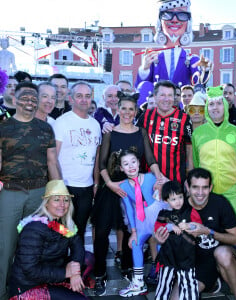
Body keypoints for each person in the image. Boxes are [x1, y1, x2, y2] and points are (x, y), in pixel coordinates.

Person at [92, 91, 165, 296]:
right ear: (118, 109)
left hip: (133, 189)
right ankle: (99, 274)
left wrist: (159, 178)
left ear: (135, 112)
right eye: (123, 108)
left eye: (131, 109)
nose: (126, 112)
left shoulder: (141, 132)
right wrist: (108, 184)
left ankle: (129, 269)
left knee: (130, 229)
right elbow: (103, 163)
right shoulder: (109, 132)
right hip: (112, 187)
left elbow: (150, 160)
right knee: (103, 231)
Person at [0, 81, 62, 300]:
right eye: (24, 98)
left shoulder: (45, 128)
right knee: (5, 247)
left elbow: (52, 162)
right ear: (14, 100)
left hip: (38, 194)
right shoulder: (3, 127)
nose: (29, 102)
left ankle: (28, 292)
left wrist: (59, 193)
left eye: (33, 98)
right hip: (10, 193)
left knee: (33, 248)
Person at [155, 168, 236, 300]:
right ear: (187, 187)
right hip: (193, 263)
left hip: (221, 254)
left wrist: (208, 231)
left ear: (211, 187)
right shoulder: (178, 205)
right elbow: (157, 232)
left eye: (205, 187)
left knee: (222, 254)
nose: (200, 193)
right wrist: (160, 240)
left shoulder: (220, 203)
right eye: (195, 187)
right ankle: (212, 283)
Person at [8, 180, 87, 300]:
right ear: (46, 203)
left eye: (66, 200)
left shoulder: (63, 224)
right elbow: (30, 269)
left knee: (89, 258)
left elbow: (78, 246)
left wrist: (74, 272)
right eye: (56, 199)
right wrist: (66, 273)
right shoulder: (34, 228)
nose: (62, 204)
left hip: (50, 279)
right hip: (27, 287)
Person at [114, 150, 167, 297]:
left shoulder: (151, 177)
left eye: (133, 162)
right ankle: (138, 282)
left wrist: (161, 184)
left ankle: (164, 275)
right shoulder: (123, 186)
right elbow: (129, 210)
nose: (130, 166)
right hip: (141, 219)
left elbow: (166, 190)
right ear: (121, 168)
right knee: (136, 243)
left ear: (138, 163)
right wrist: (134, 232)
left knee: (162, 242)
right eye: (126, 164)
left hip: (156, 215)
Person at [53, 81, 101, 241]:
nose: (84, 100)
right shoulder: (61, 122)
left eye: (87, 96)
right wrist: (58, 187)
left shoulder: (95, 125)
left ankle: (75, 263)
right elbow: (53, 157)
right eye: (79, 96)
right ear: (71, 99)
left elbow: (96, 157)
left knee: (79, 230)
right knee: (61, 230)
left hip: (86, 188)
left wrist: (95, 183)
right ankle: (60, 263)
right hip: (65, 186)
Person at [192, 86, 236, 219]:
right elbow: (196, 162)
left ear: (225, 105)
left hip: (232, 193)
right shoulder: (197, 134)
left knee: (233, 234)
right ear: (207, 108)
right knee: (208, 234)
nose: (215, 107)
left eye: (219, 103)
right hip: (206, 194)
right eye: (211, 104)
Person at [135, 0, 212, 88]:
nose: (174, 20)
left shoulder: (191, 59)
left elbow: (199, 84)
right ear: (160, 22)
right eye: (167, 15)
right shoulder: (154, 59)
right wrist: (145, 69)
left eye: (182, 15)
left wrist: (205, 70)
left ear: (188, 23)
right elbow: (141, 88)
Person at [137, 80, 193, 184]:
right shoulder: (145, 116)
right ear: (155, 96)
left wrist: (189, 176)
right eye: (162, 95)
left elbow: (189, 148)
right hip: (149, 181)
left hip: (175, 182)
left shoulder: (184, 119)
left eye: (170, 95)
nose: (167, 99)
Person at [154, 180, 201, 300]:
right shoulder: (163, 213)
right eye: (173, 199)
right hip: (168, 255)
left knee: (189, 283)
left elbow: (199, 225)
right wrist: (169, 226)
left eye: (180, 197)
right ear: (166, 201)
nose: (178, 201)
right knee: (163, 284)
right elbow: (157, 227)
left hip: (187, 254)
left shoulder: (189, 210)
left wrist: (190, 226)